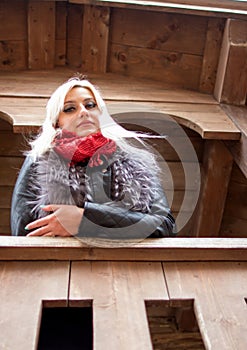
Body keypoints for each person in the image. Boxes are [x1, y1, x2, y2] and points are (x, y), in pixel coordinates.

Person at [11, 75, 176, 241]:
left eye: (90, 105)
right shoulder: (39, 160)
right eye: (69, 109)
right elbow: (22, 232)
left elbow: (166, 225)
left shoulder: (136, 163)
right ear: (56, 123)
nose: (83, 112)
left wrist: (85, 220)